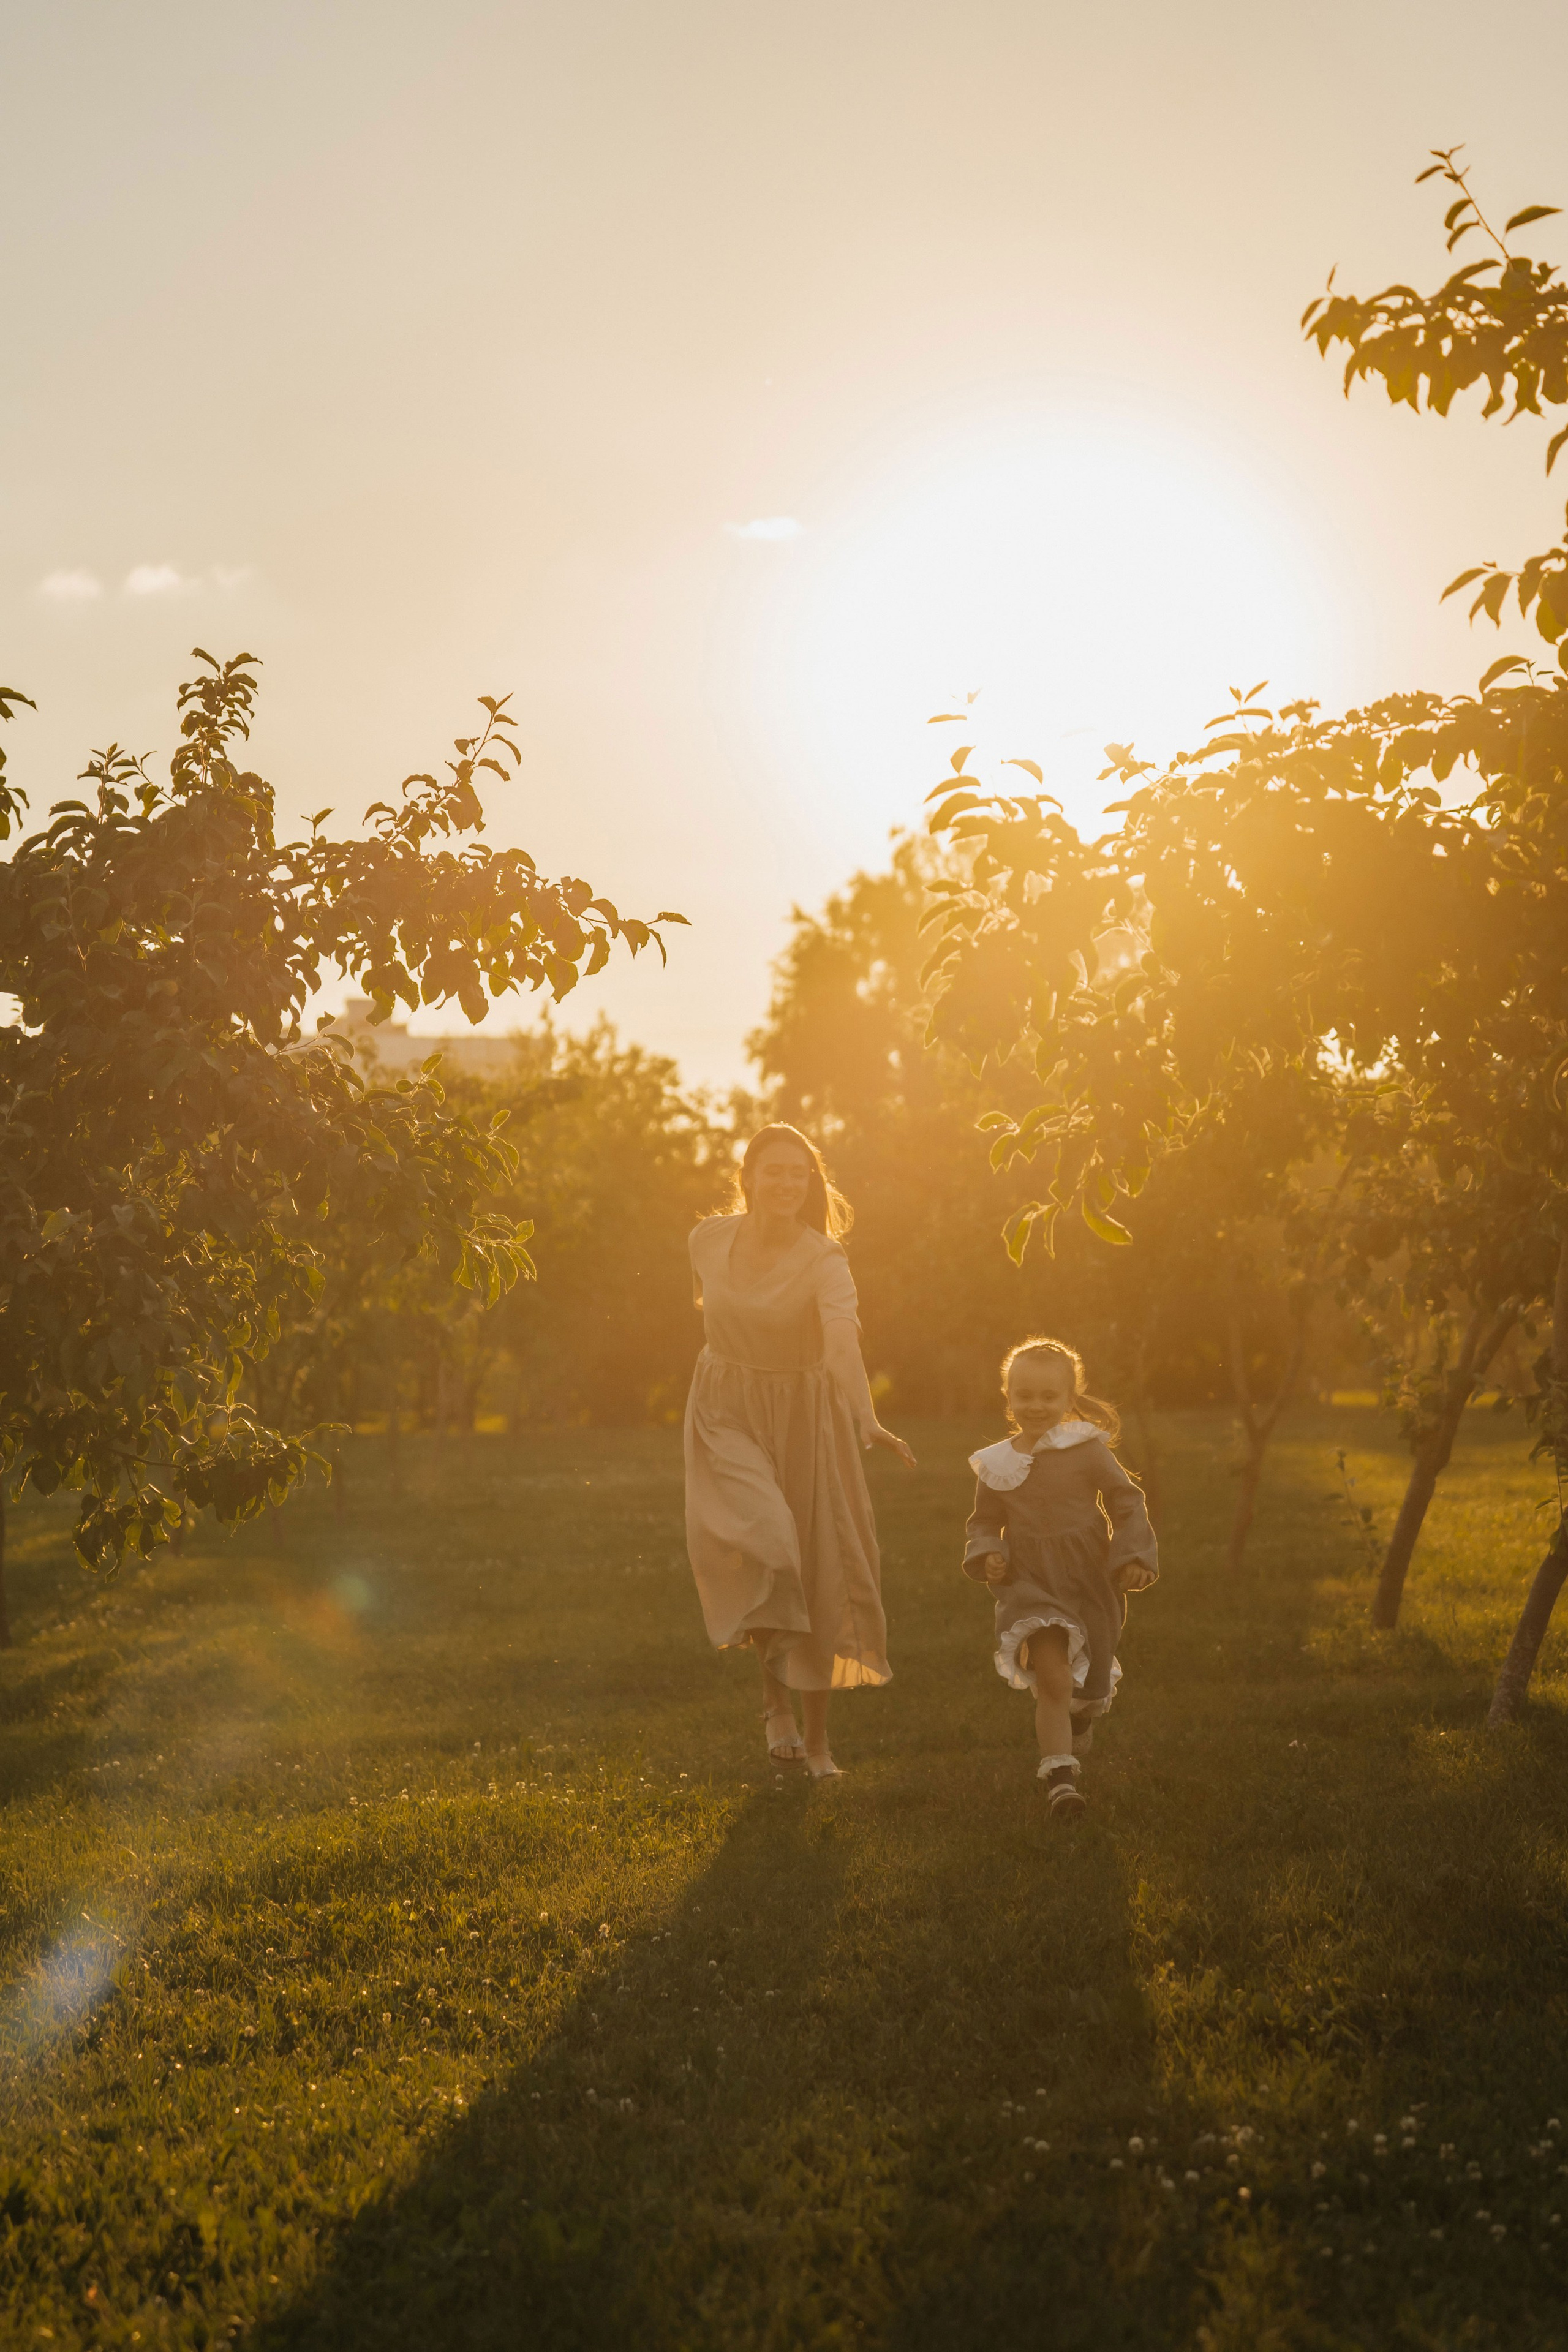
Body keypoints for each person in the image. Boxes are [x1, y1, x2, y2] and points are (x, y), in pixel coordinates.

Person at [684, 1123, 915, 1778]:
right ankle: (771, 1700)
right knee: (769, 1540)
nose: (787, 1182)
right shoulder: (706, 1239)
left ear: (811, 1183)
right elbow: (712, 1312)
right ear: (747, 1176)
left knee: (817, 1572)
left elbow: (841, 1341)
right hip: (725, 1409)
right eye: (774, 1169)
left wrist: (865, 1416)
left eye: (799, 1172)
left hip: (806, 1418)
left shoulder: (824, 1259)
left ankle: (817, 1746)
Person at [962, 1336, 1157, 1828]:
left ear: (1070, 1398)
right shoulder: (997, 1465)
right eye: (1023, 1394)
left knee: (1085, 1684)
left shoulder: (1086, 1449)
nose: (1035, 1406)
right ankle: (1061, 1779)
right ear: (1007, 1396)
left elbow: (1126, 1501)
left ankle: (1082, 1715)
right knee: (1051, 1677)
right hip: (1029, 1582)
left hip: (1087, 1578)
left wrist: (1131, 1555)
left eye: (1049, 1396)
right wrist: (989, 1553)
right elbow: (983, 1522)